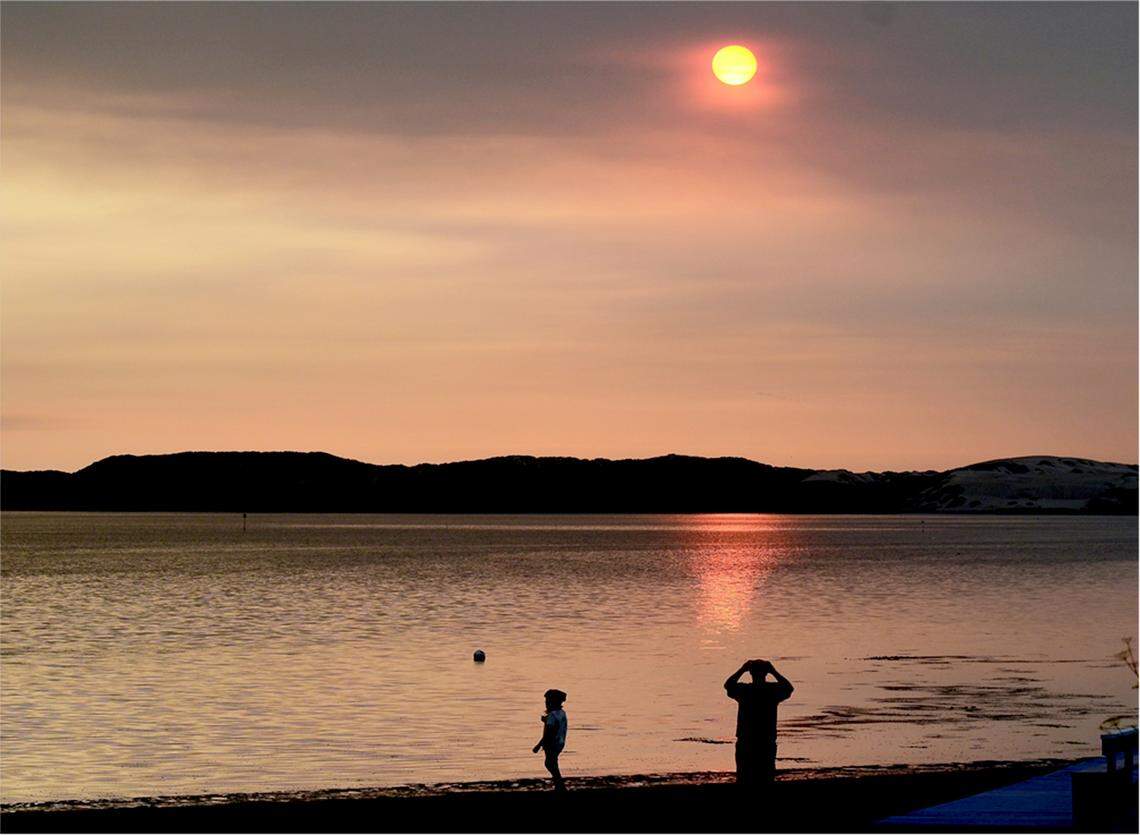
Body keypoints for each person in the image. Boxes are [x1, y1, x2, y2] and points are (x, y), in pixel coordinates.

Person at [724, 659, 793, 788]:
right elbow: (789, 688)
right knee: (766, 775)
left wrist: (742, 669)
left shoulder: (745, 691)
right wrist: (773, 671)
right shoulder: (772, 691)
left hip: (746, 739)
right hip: (766, 739)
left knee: (744, 776)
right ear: (766, 673)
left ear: (750, 673)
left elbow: (728, 685)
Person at [532, 688, 568, 792]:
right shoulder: (562, 713)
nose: (546, 703)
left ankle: (559, 785)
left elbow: (549, 733)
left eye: (547, 701)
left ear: (552, 702)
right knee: (552, 763)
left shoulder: (552, 716)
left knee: (549, 763)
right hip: (560, 742)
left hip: (551, 743)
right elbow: (557, 726)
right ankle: (559, 785)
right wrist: (546, 721)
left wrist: (538, 745)